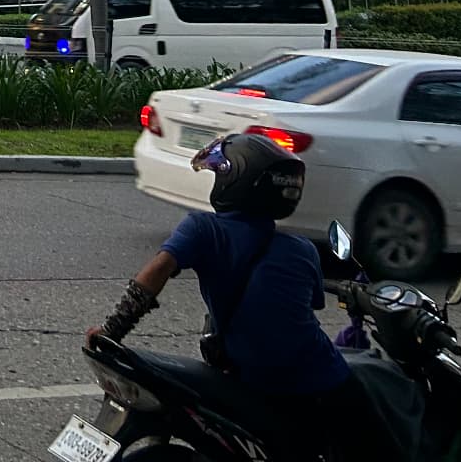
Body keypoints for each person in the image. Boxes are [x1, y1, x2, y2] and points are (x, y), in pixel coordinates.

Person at [88, 133, 403, 462]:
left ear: (234, 182)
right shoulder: (302, 250)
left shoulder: (202, 229)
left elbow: (156, 272)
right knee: (378, 440)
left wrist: (112, 331)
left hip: (246, 379)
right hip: (317, 379)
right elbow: (304, 310)